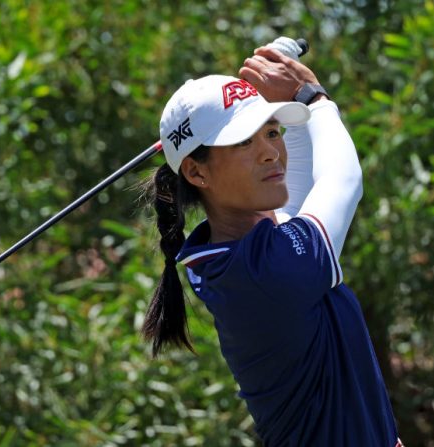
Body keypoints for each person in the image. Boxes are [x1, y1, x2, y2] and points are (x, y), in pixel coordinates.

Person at [142, 44, 402, 446]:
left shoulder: (233, 254)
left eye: (271, 133)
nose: (269, 153)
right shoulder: (266, 272)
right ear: (196, 172)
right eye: (244, 142)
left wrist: (282, 104)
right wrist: (312, 97)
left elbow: (291, 187)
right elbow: (343, 182)